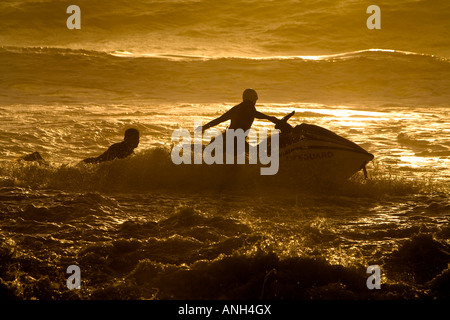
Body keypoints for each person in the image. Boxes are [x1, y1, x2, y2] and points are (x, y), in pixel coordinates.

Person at [199, 89, 279, 133]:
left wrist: (204, 127)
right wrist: (271, 118)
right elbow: (255, 114)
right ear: (252, 98)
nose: (256, 100)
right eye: (255, 98)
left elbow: (219, 120)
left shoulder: (236, 108)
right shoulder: (248, 107)